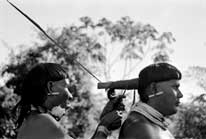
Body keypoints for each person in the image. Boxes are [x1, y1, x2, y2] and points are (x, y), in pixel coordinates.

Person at [14, 63, 124, 139]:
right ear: (50, 87)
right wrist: (104, 126)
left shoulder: (34, 120)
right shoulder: (43, 121)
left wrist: (103, 120)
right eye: (66, 86)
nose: (70, 95)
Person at [119, 62, 183, 139]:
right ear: (153, 89)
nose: (180, 95)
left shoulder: (153, 124)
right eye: (175, 87)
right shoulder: (139, 126)